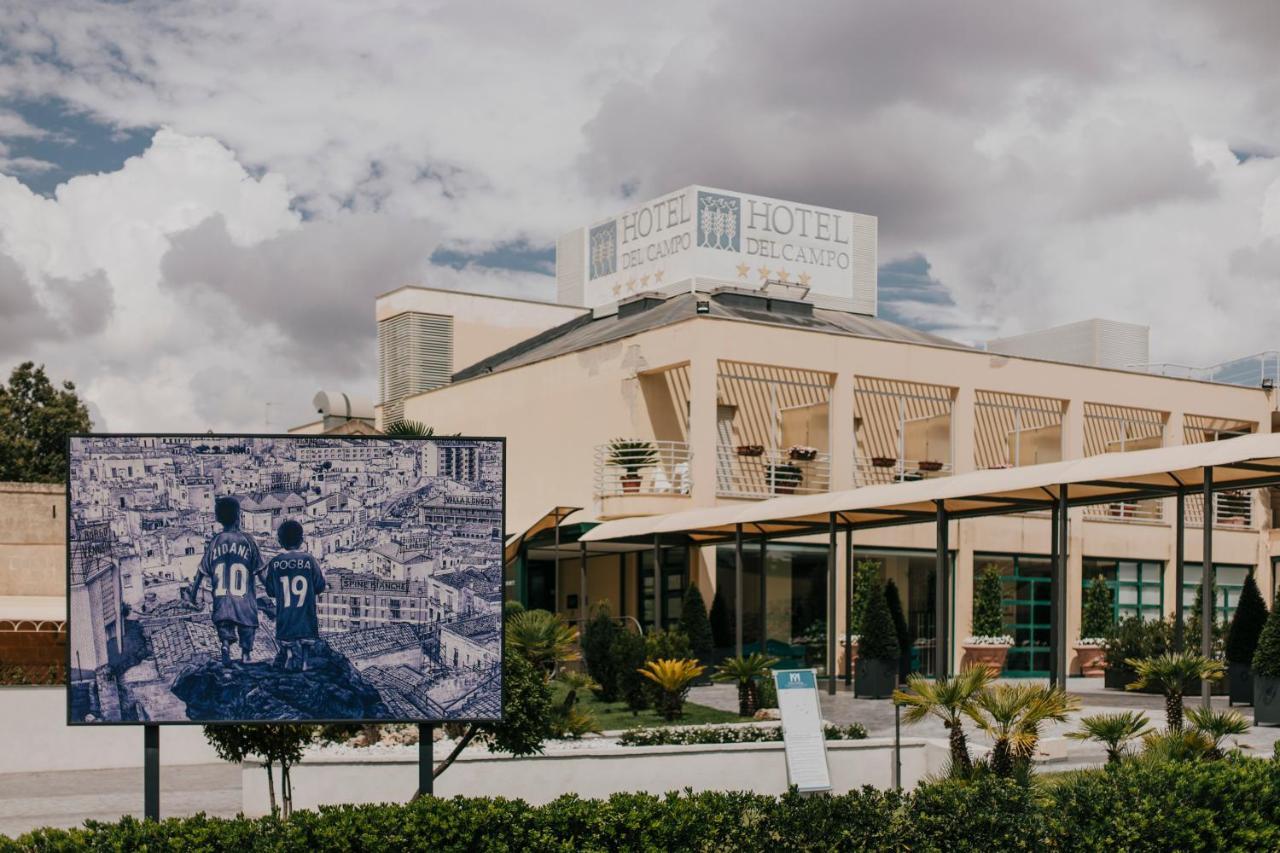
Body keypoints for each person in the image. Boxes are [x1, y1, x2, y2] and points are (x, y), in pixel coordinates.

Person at [182, 496, 264, 669]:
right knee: (247, 626)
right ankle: (246, 654)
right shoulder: (248, 541)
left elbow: (200, 573)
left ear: (218, 518)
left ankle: (225, 645)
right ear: (238, 516)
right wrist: (271, 588)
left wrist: (193, 596)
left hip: (221, 599)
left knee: (224, 625)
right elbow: (259, 570)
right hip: (244, 600)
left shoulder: (214, 542)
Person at [263, 519, 327, 672]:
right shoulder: (309, 560)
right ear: (301, 540)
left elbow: (270, 590)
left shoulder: (275, 562)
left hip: (285, 614)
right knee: (306, 639)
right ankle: (305, 662)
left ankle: (290, 655)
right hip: (306, 613)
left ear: (280, 541)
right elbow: (320, 586)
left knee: (287, 638)